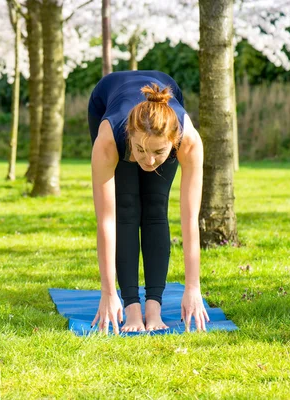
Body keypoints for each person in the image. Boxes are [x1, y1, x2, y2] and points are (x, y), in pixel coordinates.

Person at [88, 70, 209, 334]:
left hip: (166, 87)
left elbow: (190, 219)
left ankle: (154, 307)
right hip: (106, 99)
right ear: (130, 137)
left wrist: (193, 288)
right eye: (141, 150)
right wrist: (108, 293)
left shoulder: (188, 141)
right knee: (126, 208)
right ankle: (131, 307)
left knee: (155, 207)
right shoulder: (109, 141)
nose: (149, 160)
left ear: (174, 142)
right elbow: (106, 221)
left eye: (158, 152)